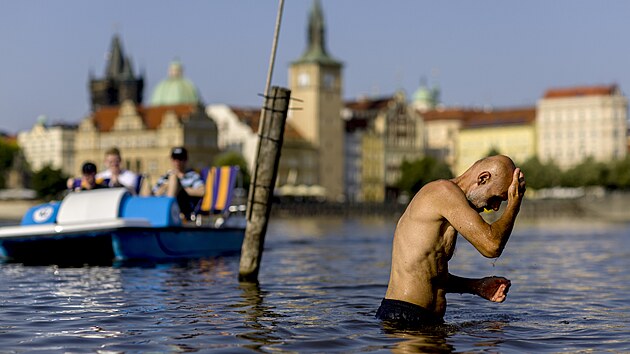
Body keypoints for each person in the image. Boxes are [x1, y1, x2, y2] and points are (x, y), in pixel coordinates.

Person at [376, 155, 526, 327]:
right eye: (498, 197)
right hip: (404, 318)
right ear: (483, 178)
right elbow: (491, 247)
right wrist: (515, 204)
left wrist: (476, 286)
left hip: (424, 320)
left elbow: (430, 275)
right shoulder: (443, 192)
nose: (495, 207)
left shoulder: (449, 206)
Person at [152, 147, 205, 218]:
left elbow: (202, 191)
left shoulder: (192, 175)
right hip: (161, 205)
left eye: (180, 158)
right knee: (145, 179)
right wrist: (167, 186)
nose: (177, 161)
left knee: (173, 177)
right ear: (171, 160)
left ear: (185, 160)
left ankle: (168, 211)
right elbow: (154, 193)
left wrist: (180, 189)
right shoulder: (165, 176)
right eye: (175, 158)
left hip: (183, 208)